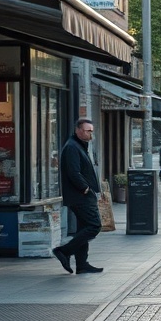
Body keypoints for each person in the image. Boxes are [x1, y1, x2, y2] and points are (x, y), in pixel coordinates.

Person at [53, 117, 103, 274]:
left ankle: (82, 264)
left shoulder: (79, 145)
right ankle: (64, 251)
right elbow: (73, 172)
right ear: (78, 130)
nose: (90, 134)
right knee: (94, 225)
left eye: (91, 131)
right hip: (80, 195)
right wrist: (85, 188)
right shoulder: (72, 147)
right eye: (88, 131)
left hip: (82, 194)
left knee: (84, 226)